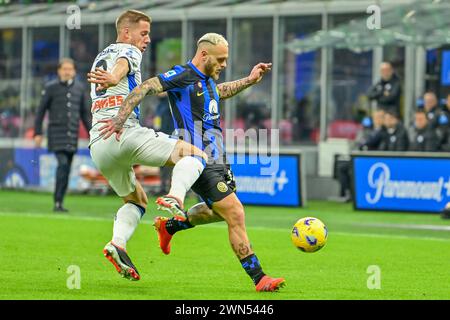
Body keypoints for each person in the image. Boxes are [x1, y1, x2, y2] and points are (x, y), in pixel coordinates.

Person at [98, 33, 285, 292]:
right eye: (220, 59)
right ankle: (260, 278)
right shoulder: (183, 74)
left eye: (226, 60)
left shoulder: (207, 81)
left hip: (219, 158)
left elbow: (218, 93)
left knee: (218, 212)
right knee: (235, 213)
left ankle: (171, 225)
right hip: (198, 158)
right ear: (204, 55)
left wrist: (250, 80)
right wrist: (120, 118)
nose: (224, 64)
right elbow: (146, 87)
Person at [86, 10, 207, 281]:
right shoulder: (129, 51)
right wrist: (115, 78)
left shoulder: (101, 54)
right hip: (123, 133)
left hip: (98, 144)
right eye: (144, 33)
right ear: (126, 32)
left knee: (137, 200)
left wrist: (113, 79)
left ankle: (117, 242)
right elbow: (122, 67)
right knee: (196, 155)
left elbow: (115, 70)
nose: (148, 40)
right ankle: (176, 196)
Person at [34, 58, 91, 212]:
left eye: (70, 69)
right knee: (63, 164)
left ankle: (60, 202)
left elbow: (85, 114)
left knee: (67, 168)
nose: (67, 72)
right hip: (56, 135)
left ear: (74, 71)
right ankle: (57, 201)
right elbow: (40, 111)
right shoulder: (50, 87)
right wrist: (37, 133)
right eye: (64, 69)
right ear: (59, 71)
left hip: (72, 135)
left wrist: (93, 133)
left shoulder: (79, 88)